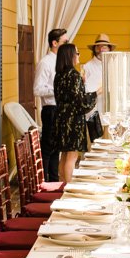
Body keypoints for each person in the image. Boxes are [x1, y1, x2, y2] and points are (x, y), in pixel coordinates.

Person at [52, 43, 98, 183]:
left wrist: (81, 84)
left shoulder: (59, 76)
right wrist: (95, 94)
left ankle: (62, 185)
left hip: (61, 119)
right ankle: (69, 189)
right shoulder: (74, 75)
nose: (79, 56)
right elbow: (81, 103)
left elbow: (68, 97)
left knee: (64, 155)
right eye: (77, 53)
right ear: (70, 55)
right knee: (72, 157)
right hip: (73, 122)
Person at [33, 27, 67, 181]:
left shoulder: (60, 62)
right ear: (54, 43)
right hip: (50, 110)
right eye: (64, 42)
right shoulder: (45, 63)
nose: (67, 45)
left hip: (59, 109)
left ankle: (54, 183)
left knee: (56, 150)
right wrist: (58, 90)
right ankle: (43, 183)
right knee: (47, 150)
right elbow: (37, 89)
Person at [84, 33, 114, 116]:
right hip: (94, 111)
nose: (101, 50)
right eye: (98, 47)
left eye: (104, 47)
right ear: (94, 49)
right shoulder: (87, 67)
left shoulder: (114, 65)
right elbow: (84, 91)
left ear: (109, 49)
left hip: (112, 110)